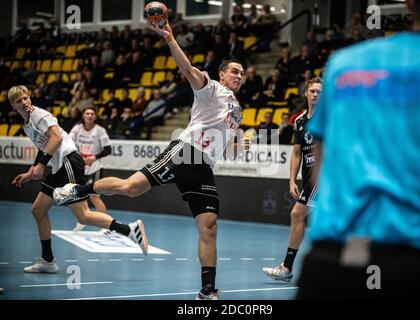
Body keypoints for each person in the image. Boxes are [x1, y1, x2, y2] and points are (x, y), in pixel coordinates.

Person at [53, 21, 251, 300]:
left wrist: (239, 144)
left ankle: (208, 291)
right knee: (130, 188)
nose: (239, 75)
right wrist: (170, 39)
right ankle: (79, 190)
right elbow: (188, 70)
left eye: (242, 73)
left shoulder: (237, 111)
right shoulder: (212, 88)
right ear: (222, 73)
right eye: (234, 71)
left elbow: (225, 149)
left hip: (204, 166)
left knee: (209, 225)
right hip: (184, 152)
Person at [298, 0, 420, 299]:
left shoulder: (344, 63)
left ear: (409, 3)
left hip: (330, 261)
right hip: (412, 264)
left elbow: (320, 168)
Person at [8, 86, 148, 274]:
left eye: (26, 98)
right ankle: (48, 260)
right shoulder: (27, 124)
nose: (24, 102)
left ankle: (130, 230)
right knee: (38, 210)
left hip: (68, 162)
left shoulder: (38, 115)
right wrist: (31, 170)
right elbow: (44, 147)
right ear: (13, 106)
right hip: (58, 166)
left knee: (83, 215)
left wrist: (41, 165)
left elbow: (56, 138)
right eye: (19, 101)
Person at [263, 77, 322, 281]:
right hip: (307, 177)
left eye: (319, 92)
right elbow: (297, 153)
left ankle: (287, 267)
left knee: (297, 213)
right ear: (306, 93)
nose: (315, 94)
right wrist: (291, 180)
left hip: (323, 175)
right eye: (312, 91)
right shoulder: (299, 121)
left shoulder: (329, 118)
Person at [69, 107, 112, 232]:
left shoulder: (100, 130)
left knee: (94, 197)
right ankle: (83, 219)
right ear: (83, 116)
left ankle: (107, 225)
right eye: (87, 113)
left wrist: (94, 157)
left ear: (95, 117)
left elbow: (108, 149)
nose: (89, 115)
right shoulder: (77, 129)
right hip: (81, 166)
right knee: (79, 194)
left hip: (95, 167)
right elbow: (67, 142)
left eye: (92, 113)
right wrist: (78, 156)